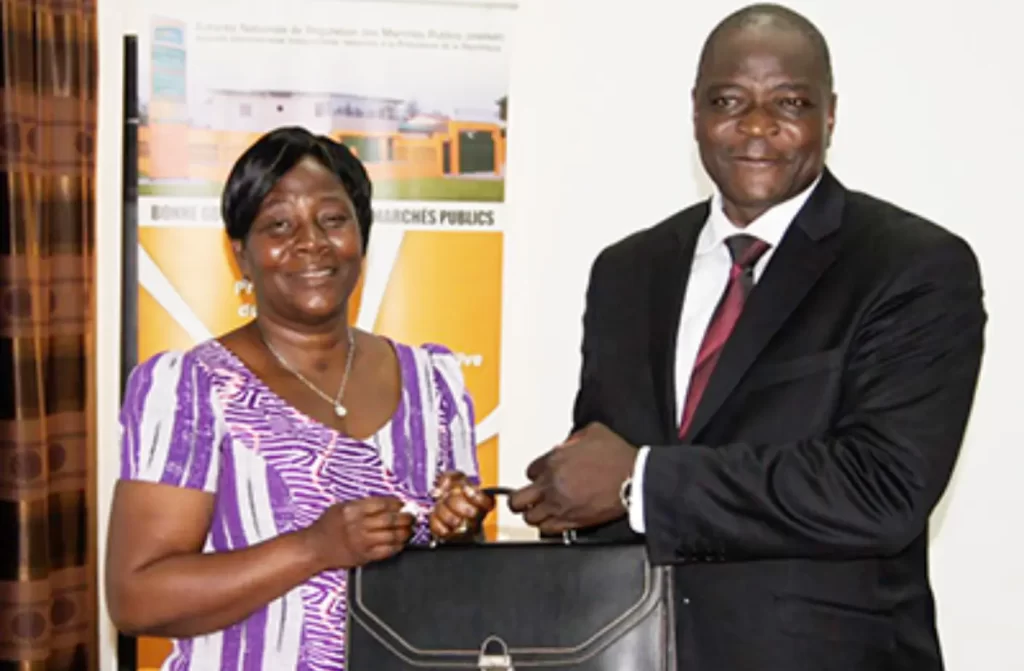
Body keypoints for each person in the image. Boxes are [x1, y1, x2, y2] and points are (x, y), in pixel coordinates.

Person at [509, 4, 985, 670]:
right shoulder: (626, 271)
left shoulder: (912, 266)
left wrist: (642, 480)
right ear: (695, 113)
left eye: (790, 102)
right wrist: (550, 497)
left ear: (831, 115)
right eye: (728, 100)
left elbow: (883, 488)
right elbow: (610, 478)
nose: (757, 126)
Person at [105, 126, 495, 670]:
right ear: (241, 255)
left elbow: (458, 588)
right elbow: (137, 599)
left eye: (333, 219)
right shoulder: (190, 388)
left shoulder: (435, 384)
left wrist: (460, 530)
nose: (311, 242)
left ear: (362, 236)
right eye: (279, 225)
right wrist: (314, 548)